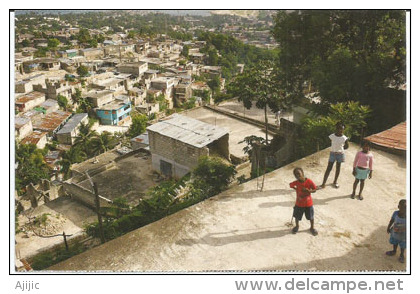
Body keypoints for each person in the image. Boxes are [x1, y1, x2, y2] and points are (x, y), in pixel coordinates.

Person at [319, 122, 349, 189]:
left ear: (343, 130)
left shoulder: (344, 138)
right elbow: (328, 142)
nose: (340, 130)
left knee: (338, 168)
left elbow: (347, 146)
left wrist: (340, 149)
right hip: (332, 154)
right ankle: (323, 183)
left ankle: (335, 182)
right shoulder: (332, 136)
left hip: (340, 154)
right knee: (329, 168)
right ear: (336, 128)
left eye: (341, 129)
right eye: (338, 129)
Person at [289, 167, 318, 236]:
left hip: (308, 203)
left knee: (311, 216)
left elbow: (315, 189)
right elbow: (290, 185)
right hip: (299, 203)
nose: (297, 176)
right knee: (297, 216)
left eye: (299, 174)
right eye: (296, 175)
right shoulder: (296, 182)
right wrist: (295, 188)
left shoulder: (309, 181)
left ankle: (312, 227)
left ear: (302, 173)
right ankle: (297, 226)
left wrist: (309, 191)